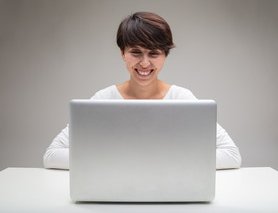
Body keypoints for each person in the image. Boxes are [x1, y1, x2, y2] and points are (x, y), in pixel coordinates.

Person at [43, 12, 241, 170]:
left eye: (154, 53)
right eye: (135, 52)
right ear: (122, 53)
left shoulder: (182, 98)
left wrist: (153, 159)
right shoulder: (103, 99)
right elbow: (52, 156)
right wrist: (128, 159)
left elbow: (231, 155)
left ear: (165, 56)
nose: (145, 63)